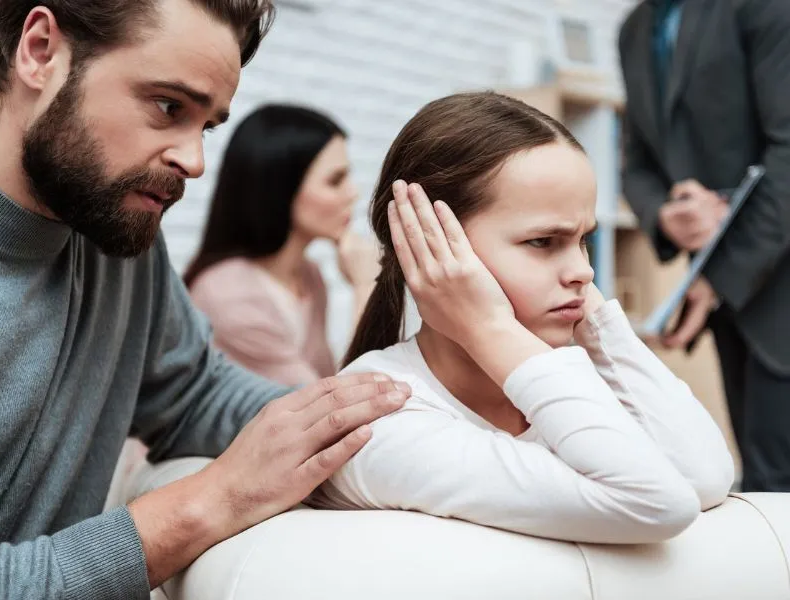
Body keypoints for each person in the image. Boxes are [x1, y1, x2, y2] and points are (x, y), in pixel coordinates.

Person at [0, 1, 411, 598]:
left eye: (206, 125)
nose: (194, 161)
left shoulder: (111, 231)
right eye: (168, 107)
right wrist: (211, 501)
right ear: (40, 50)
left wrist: (389, 418)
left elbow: (190, 394)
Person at [308, 92, 735, 544]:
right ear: (428, 246)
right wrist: (487, 326)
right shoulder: (378, 419)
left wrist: (598, 327)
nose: (585, 272)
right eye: (543, 241)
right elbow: (656, 502)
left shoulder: (563, 381)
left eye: (582, 240)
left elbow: (705, 476)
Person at [618, 0, 790, 491]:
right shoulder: (634, 30)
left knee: (777, 485)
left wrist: (717, 277)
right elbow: (638, 166)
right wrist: (666, 216)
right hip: (728, 295)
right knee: (762, 485)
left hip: (772, 277)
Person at [185, 104, 380, 387]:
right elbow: (328, 407)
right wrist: (366, 285)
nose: (353, 193)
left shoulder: (309, 275)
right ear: (281, 188)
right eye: (335, 180)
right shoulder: (228, 294)